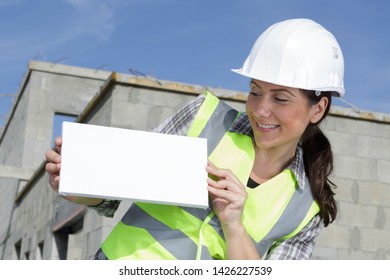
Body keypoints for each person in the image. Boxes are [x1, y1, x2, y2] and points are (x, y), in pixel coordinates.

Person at [45, 18, 344, 260]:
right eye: (254, 91)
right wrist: (76, 183)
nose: (261, 109)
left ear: (317, 109)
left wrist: (234, 226)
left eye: (280, 98)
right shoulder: (204, 117)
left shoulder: (308, 211)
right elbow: (111, 194)